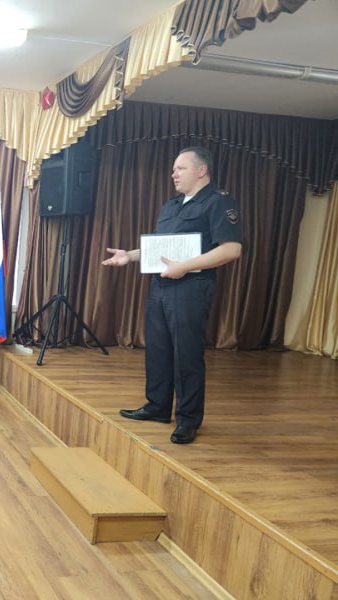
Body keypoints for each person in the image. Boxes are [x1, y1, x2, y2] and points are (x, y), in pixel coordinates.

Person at [102, 146, 242, 444]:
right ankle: (157, 407)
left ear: (201, 170)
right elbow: (161, 248)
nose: (173, 174)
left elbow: (231, 250)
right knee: (158, 349)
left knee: (186, 354)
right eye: (173, 169)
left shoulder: (218, 202)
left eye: (181, 168)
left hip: (192, 288)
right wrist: (129, 255)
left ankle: (188, 419)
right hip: (161, 286)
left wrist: (185, 267)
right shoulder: (171, 206)